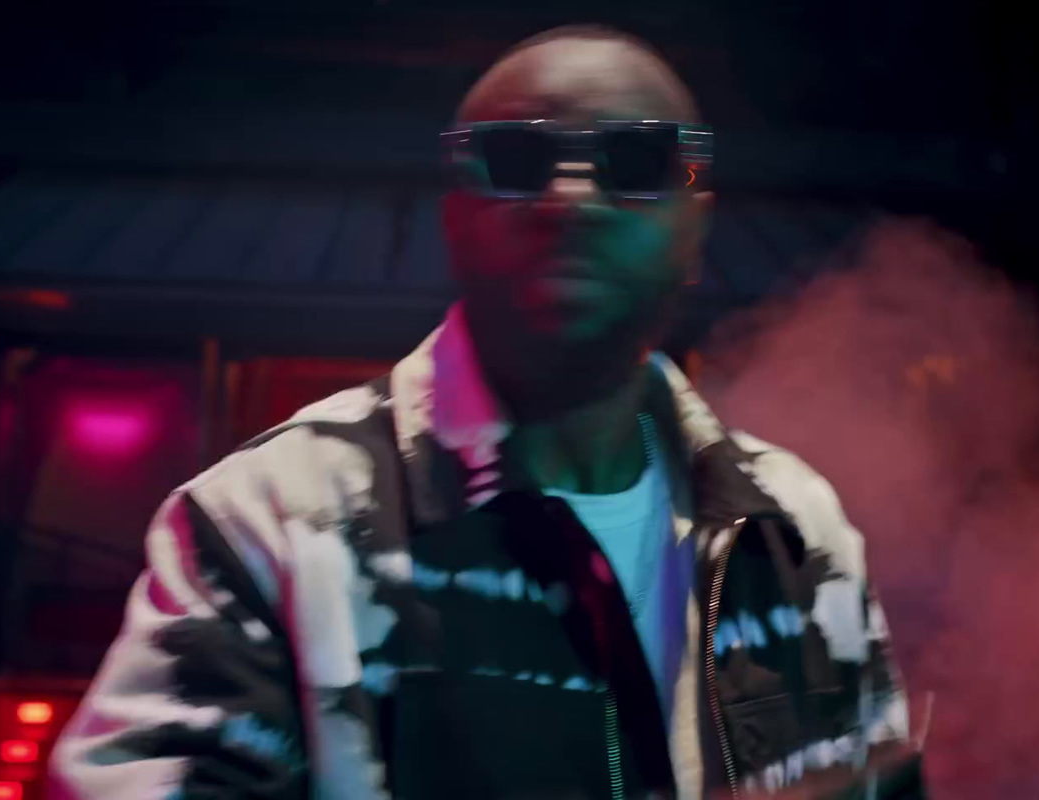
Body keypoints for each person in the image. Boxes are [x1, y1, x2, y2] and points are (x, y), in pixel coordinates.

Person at [48, 25, 924, 800]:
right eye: (514, 160)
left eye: (635, 162)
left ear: (695, 230)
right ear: (455, 220)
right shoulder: (268, 524)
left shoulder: (797, 528)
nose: (570, 200)